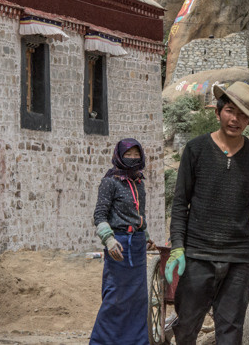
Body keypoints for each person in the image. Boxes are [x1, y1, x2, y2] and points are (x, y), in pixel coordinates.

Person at [166, 82, 249, 345]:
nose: (235, 119)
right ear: (218, 112)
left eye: (243, 115)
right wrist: (178, 247)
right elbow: (180, 204)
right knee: (187, 328)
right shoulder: (196, 149)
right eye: (230, 111)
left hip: (237, 260)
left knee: (230, 333)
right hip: (198, 256)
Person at [90, 138, 149, 345]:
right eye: (128, 155)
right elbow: (99, 215)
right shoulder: (110, 182)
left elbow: (139, 215)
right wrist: (109, 240)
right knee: (115, 298)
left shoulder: (139, 182)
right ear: (119, 156)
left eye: (136, 154)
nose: (133, 158)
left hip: (138, 246)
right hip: (119, 245)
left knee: (138, 300)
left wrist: (146, 236)